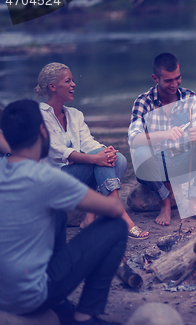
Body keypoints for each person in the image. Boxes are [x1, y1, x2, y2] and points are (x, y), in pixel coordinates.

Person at [0, 100, 127, 325]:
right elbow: (115, 208)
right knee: (116, 226)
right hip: (31, 298)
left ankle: (61, 306)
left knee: (57, 215)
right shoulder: (46, 178)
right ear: (42, 131)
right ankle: (85, 316)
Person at [36, 62, 149, 239]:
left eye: (73, 80)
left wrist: (105, 151)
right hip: (54, 180)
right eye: (68, 81)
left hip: (76, 175)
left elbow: (88, 142)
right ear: (53, 87)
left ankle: (90, 217)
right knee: (98, 161)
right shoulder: (40, 114)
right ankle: (120, 213)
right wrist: (95, 158)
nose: (74, 84)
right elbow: (56, 151)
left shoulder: (75, 114)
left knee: (118, 159)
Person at [128, 53, 196, 226]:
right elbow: (134, 139)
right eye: (168, 80)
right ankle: (165, 204)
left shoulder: (189, 97)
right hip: (154, 167)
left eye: (177, 78)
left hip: (181, 163)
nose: (174, 84)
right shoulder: (143, 101)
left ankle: (194, 204)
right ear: (155, 78)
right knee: (141, 152)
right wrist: (164, 134)